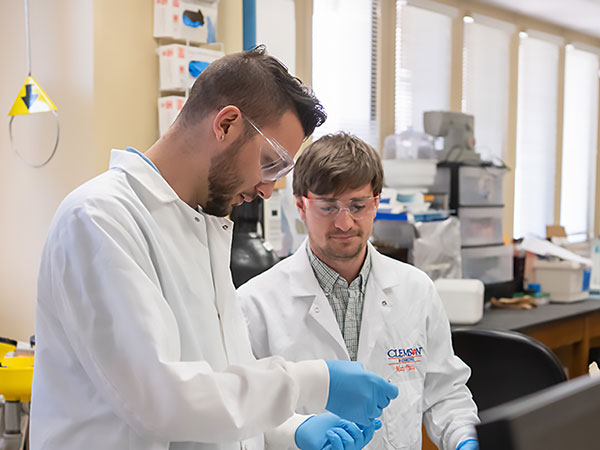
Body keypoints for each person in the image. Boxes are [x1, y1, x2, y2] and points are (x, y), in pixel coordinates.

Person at [30, 47, 399, 450]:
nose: (267, 188)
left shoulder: (203, 227)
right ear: (226, 124)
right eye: (270, 162)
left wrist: (290, 431)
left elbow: (221, 390)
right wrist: (314, 380)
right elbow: (164, 402)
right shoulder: (101, 218)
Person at [237, 133, 481, 450]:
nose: (344, 223)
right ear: (301, 206)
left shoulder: (415, 289)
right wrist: (297, 430)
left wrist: (464, 438)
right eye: (328, 207)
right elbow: (243, 413)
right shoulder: (254, 304)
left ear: (376, 203)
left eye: (357, 205)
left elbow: (444, 391)